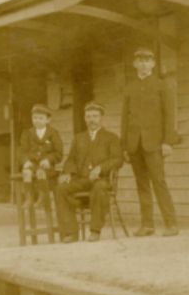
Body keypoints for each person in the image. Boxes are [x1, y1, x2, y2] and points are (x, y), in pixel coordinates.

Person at [121, 46, 180, 237]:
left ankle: (171, 224)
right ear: (134, 64)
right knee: (142, 184)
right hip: (134, 144)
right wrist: (125, 146)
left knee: (159, 182)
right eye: (140, 60)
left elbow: (170, 115)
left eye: (147, 60)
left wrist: (167, 142)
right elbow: (125, 118)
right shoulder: (129, 87)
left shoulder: (162, 85)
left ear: (153, 64)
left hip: (155, 143)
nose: (143, 63)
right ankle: (147, 225)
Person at [55, 102, 123, 243]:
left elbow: (118, 159)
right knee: (61, 188)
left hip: (101, 180)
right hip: (81, 180)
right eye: (88, 116)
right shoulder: (79, 138)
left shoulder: (111, 137)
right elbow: (71, 159)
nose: (91, 119)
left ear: (101, 118)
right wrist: (67, 172)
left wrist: (101, 168)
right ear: (85, 118)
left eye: (95, 116)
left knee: (99, 188)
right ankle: (70, 233)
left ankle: (95, 231)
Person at [17, 104, 63, 208]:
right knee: (26, 173)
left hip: (47, 167)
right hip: (32, 164)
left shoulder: (53, 133)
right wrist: (25, 161)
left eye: (41, 118)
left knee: (40, 172)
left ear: (48, 120)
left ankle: (42, 198)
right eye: (35, 118)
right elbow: (21, 151)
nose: (37, 121)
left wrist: (49, 160)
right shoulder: (27, 133)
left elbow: (58, 152)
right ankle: (29, 198)